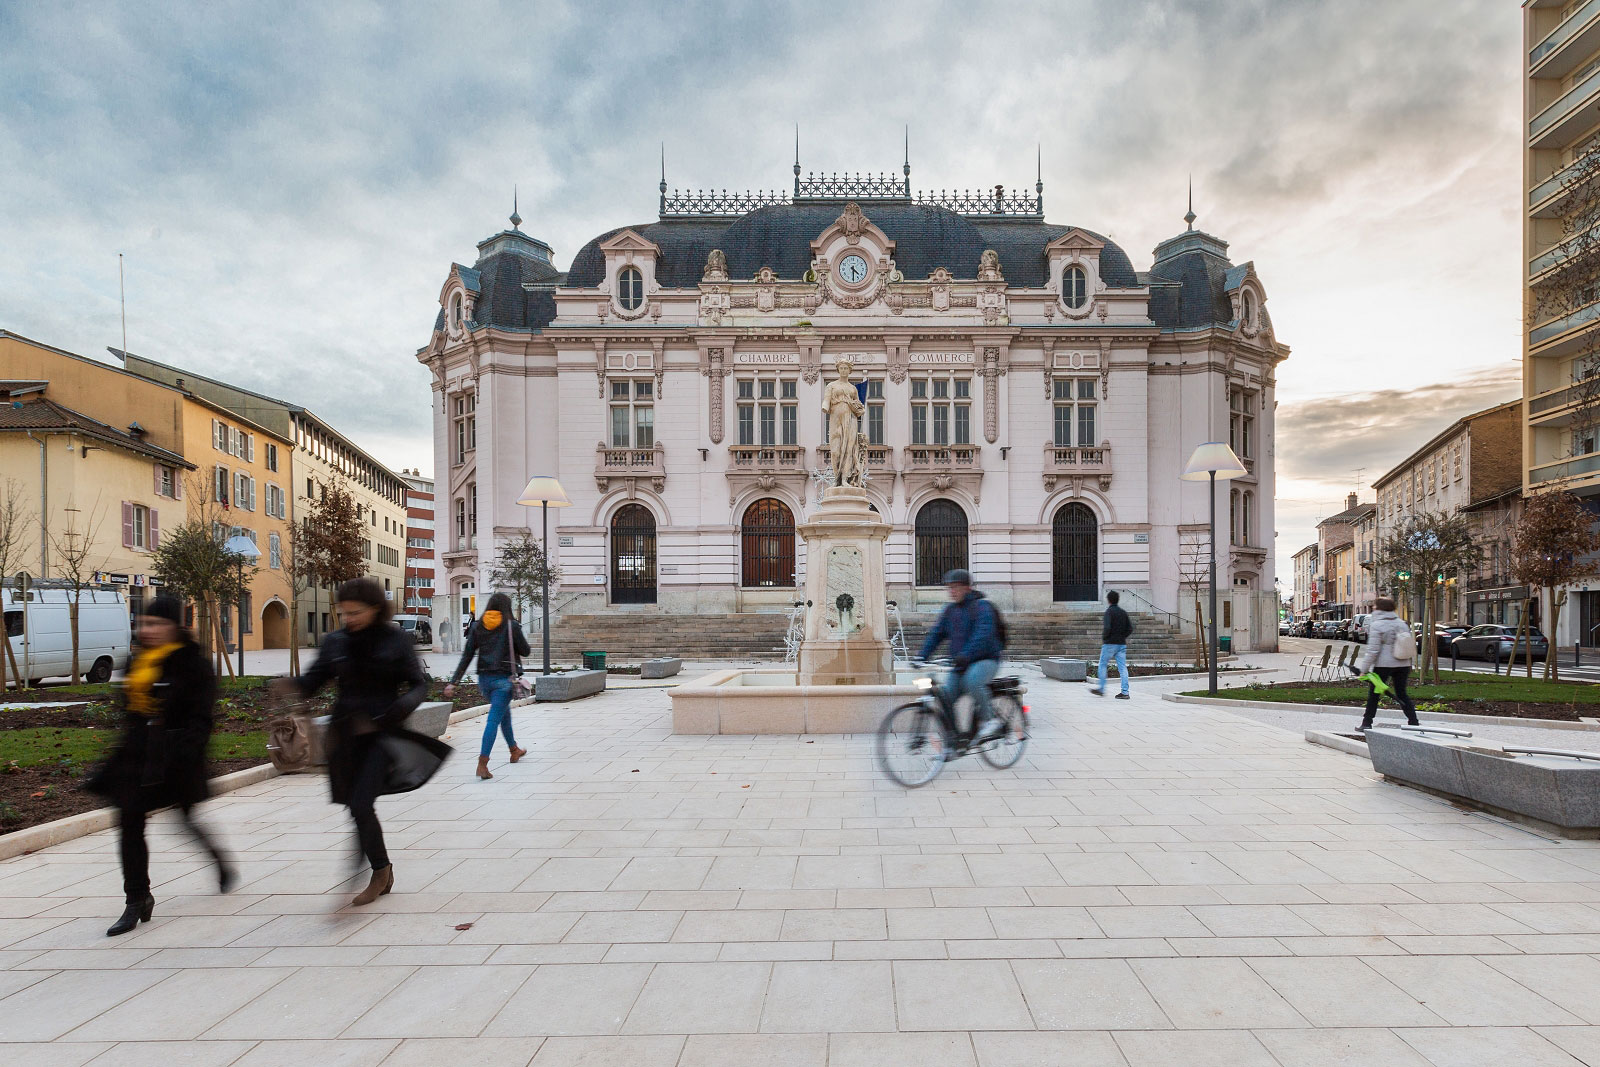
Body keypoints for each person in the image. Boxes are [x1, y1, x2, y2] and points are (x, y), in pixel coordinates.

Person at [271, 578, 448, 906]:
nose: (349, 619)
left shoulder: (395, 640)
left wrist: (398, 710)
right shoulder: (335, 641)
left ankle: (380, 872)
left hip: (383, 734)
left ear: (376, 609)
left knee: (361, 803)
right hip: (345, 736)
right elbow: (313, 681)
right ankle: (372, 861)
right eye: (344, 613)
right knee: (356, 806)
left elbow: (418, 685)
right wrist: (291, 685)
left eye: (356, 612)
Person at [88, 596, 235, 937]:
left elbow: (202, 719)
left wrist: (182, 753)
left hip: (176, 756)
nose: (148, 630)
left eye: (156, 624)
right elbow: (128, 710)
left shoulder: (193, 665)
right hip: (138, 756)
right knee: (128, 821)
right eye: (143, 623)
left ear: (175, 627)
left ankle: (218, 858)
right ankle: (137, 898)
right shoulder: (137, 661)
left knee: (184, 818)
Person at [445, 592, 531, 780]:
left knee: (503, 714)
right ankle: (482, 763)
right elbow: (526, 651)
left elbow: (467, 656)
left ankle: (514, 749)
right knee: (493, 720)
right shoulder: (511, 626)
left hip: (484, 681)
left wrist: (454, 682)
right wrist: (516, 637)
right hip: (504, 681)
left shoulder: (478, 626)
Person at [917, 569, 1005, 742]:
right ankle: (954, 741)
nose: (952, 591)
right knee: (946, 697)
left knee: (972, 681)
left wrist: (966, 654)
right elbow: (936, 634)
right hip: (962, 663)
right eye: (949, 588)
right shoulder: (950, 610)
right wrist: (921, 656)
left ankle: (991, 720)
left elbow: (983, 633)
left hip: (986, 659)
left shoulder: (982, 606)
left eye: (956, 587)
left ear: (967, 588)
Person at [1355, 596, 1419, 731]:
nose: (1373, 608)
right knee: (1402, 693)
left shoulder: (1377, 624)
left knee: (1374, 694)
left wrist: (1364, 669)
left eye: (1374, 606)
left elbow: (1373, 650)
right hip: (1403, 663)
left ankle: (1367, 723)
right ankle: (1413, 722)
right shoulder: (1402, 623)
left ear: (1379, 608)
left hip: (1384, 664)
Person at [1088, 590, 1134, 699]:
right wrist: (1123, 636)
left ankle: (1102, 689)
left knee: (1103, 664)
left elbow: (1107, 627)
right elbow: (1130, 628)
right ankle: (1125, 692)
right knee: (1122, 668)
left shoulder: (1109, 612)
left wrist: (1105, 638)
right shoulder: (1123, 612)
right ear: (1117, 600)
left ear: (1108, 600)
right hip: (1121, 644)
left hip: (1110, 643)